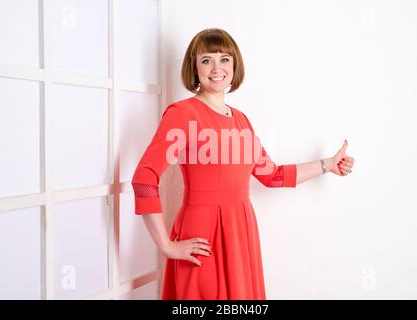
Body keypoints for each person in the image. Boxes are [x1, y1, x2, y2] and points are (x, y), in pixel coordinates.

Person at [131, 28, 355, 300]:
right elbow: (144, 178)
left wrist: (327, 164)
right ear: (194, 67)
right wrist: (166, 245)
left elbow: (272, 176)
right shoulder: (182, 114)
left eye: (224, 59)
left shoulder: (241, 120)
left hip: (240, 231)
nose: (217, 68)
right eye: (206, 60)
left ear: (234, 65)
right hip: (203, 234)